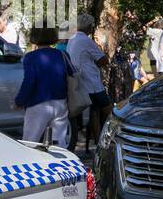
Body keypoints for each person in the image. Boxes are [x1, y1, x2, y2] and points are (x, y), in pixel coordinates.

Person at [14, 25, 70, 146]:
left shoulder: (31, 57)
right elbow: (71, 76)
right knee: (58, 145)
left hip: (37, 104)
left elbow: (29, 82)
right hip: (61, 103)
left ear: (34, 35)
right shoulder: (63, 55)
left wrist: (19, 101)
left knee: (29, 143)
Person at [65, 13, 110, 154]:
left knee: (95, 112)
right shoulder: (86, 41)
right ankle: (106, 140)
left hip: (80, 81)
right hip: (92, 83)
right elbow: (104, 60)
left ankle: (97, 142)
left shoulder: (72, 39)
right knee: (108, 110)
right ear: (89, 27)